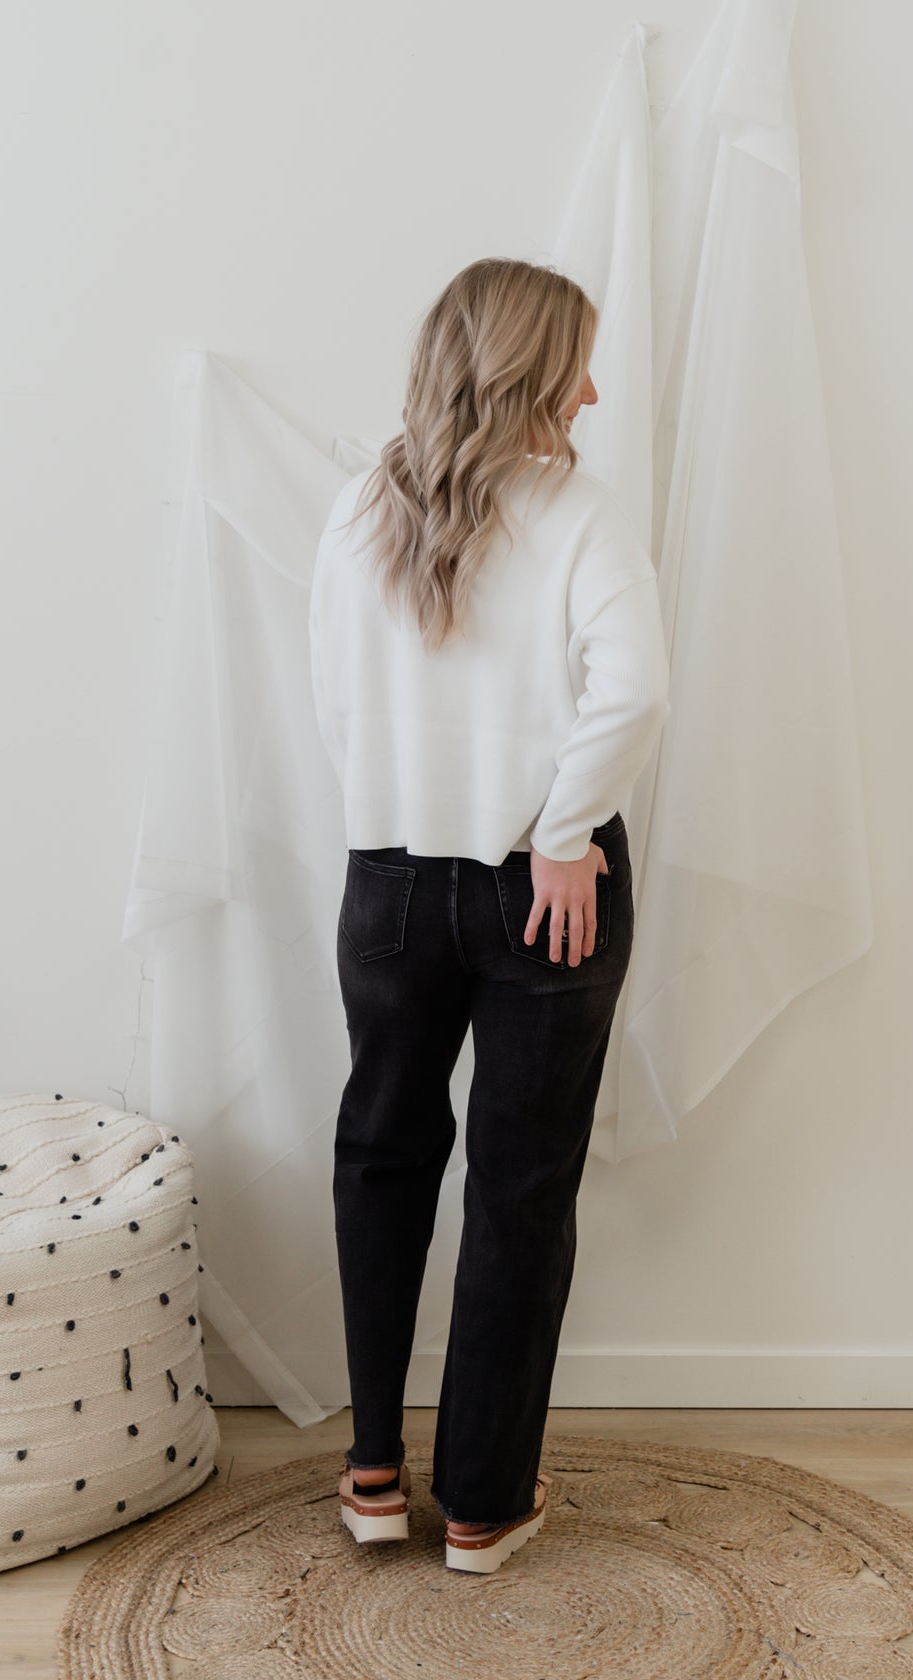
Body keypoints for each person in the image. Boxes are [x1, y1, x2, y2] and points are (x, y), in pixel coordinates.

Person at [308, 255, 671, 1573]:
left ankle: (371, 1472)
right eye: (577, 367)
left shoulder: (363, 502)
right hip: (541, 890)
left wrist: (402, 819)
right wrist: (561, 836)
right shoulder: (579, 512)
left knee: (381, 1153)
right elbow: (634, 691)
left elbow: (335, 699)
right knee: (519, 1183)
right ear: (526, 373)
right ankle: (481, 1502)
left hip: (389, 880)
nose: (593, 393)